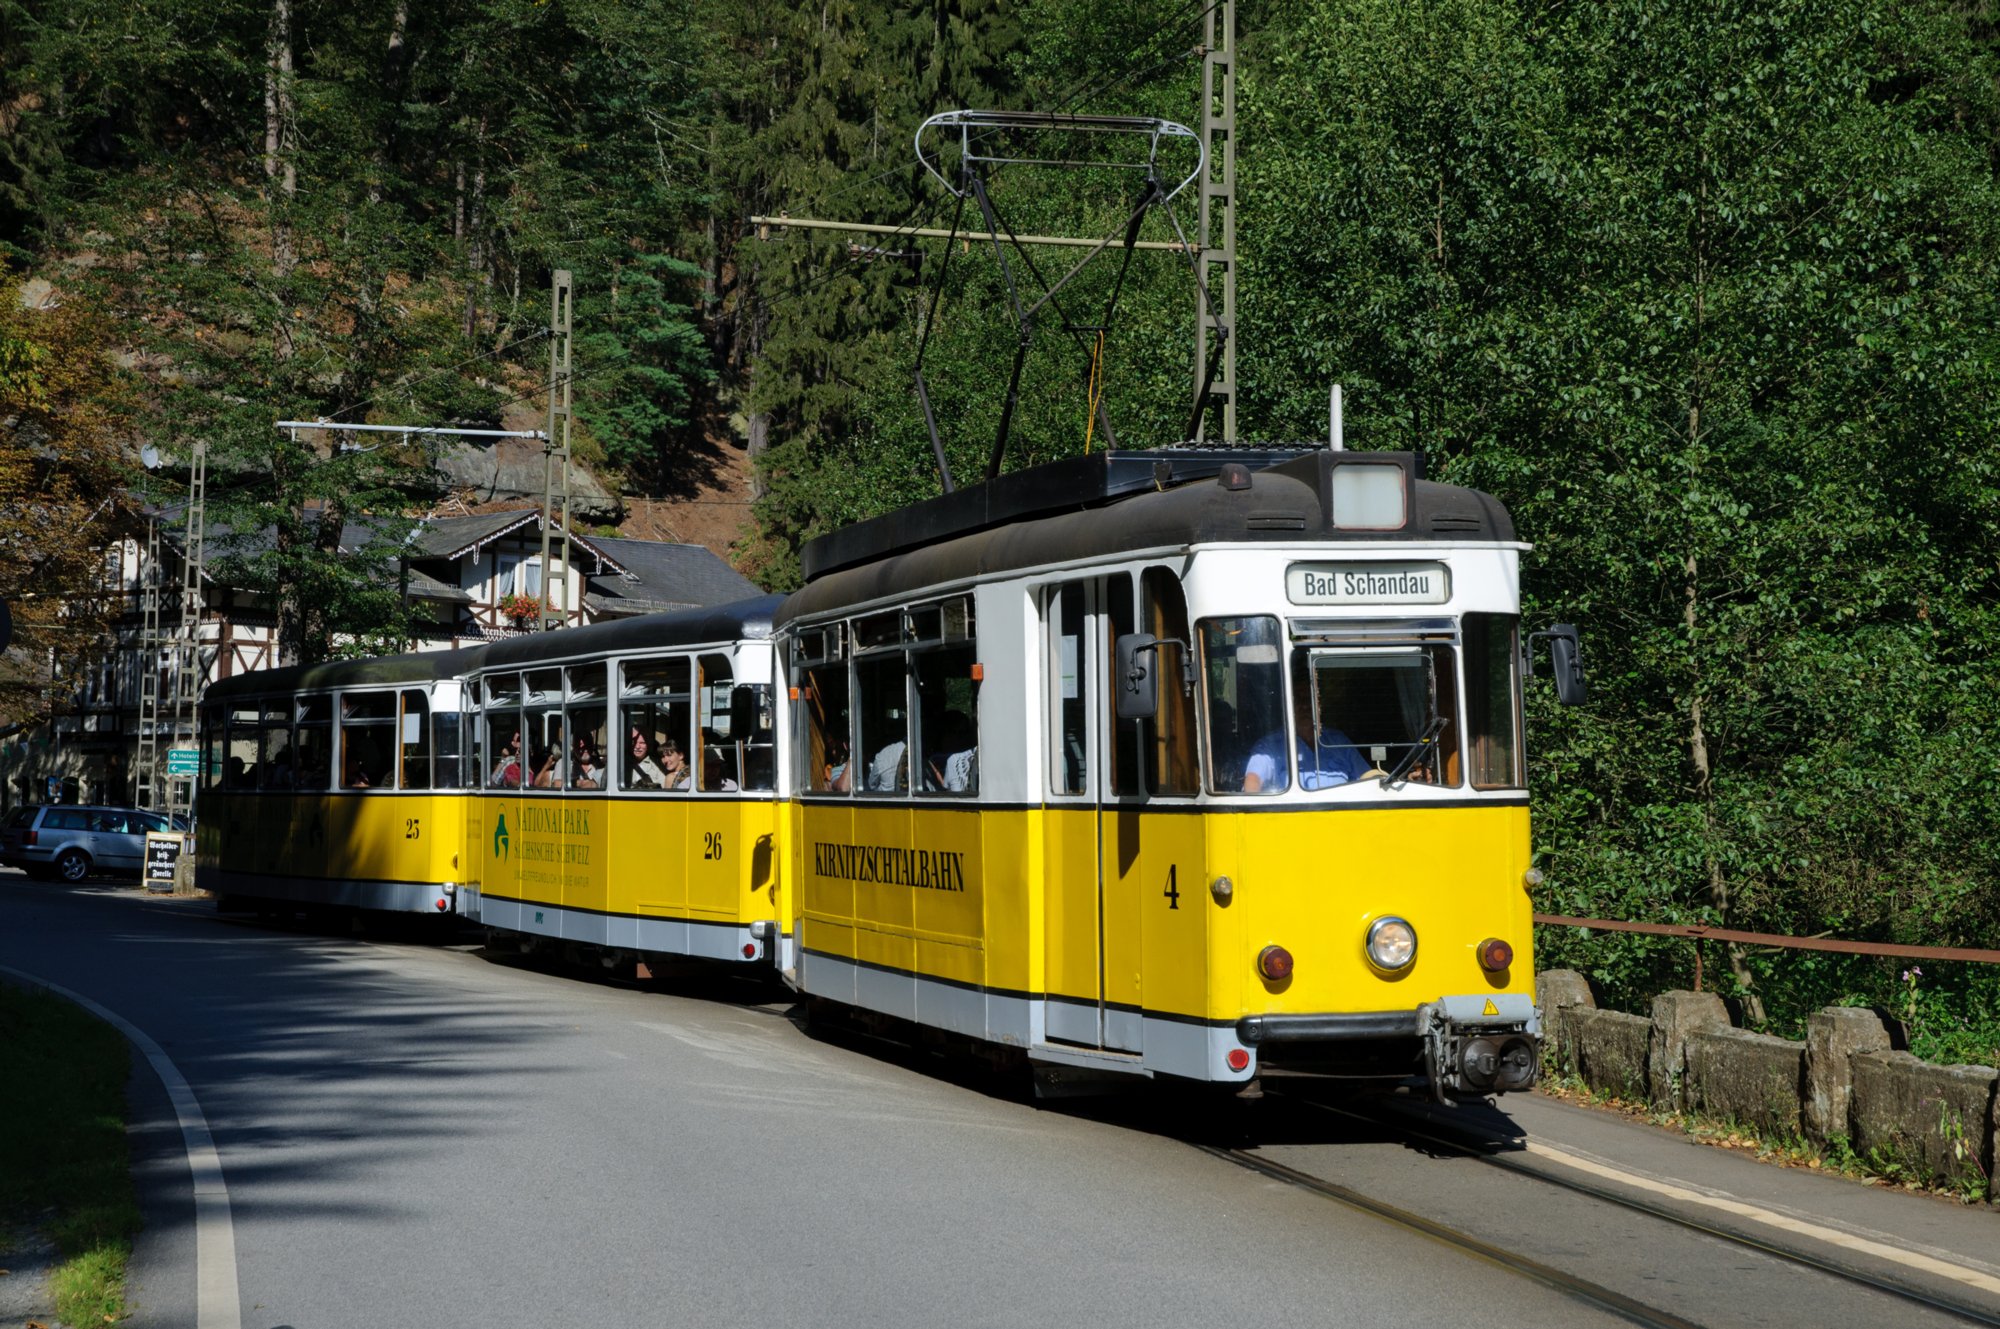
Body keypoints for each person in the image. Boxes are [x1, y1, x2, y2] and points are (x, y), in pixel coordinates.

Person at [1243, 702, 1369, 792]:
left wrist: (1380, 779)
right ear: (1288, 705)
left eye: (1309, 699)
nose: (1304, 706)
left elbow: (1365, 776)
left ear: (1318, 705)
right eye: (1298, 700)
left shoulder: (1338, 740)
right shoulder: (1270, 745)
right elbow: (1253, 780)